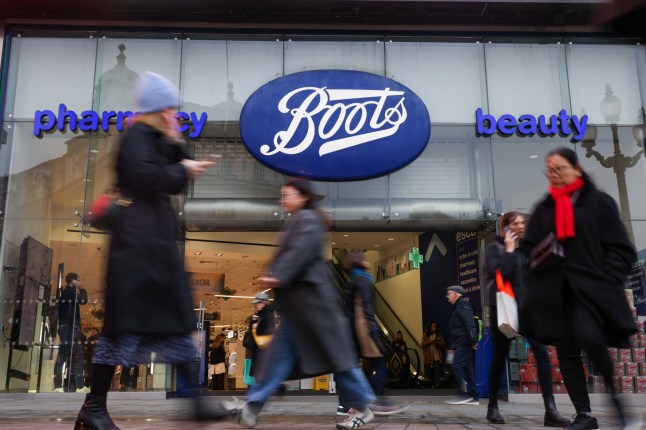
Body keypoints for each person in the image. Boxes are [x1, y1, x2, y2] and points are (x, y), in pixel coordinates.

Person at [74, 71, 228, 430]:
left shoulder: (155, 137)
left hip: (152, 245)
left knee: (176, 324)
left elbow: (170, 165)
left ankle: (192, 400)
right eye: (169, 106)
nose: (174, 111)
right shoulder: (136, 136)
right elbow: (145, 177)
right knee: (125, 329)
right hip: (138, 248)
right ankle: (94, 407)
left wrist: (177, 146)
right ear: (157, 107)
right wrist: (182, 169)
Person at [229, 178, 376, 429]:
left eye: (288, 194)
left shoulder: (307, 219)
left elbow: (299, 251)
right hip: (298, 309)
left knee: (337, 359)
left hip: (315, 306)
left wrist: (278, 275)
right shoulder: (299, 219)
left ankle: (364, 407)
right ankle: (252, 407)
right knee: (277, 359)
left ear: (303, 196)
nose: (283, 199)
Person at [522, 147, 641, 430]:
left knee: (589, 337)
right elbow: (529, 249)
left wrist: (607, 279)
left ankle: (618, 402)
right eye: (549, 170)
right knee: (566, 354)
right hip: (555, 292)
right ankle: (584, 414)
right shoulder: (544, 208)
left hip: (590, 289)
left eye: (559, 168)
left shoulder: (598, 202)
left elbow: (621, 248)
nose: (554, 175)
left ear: (576, 169)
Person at [482, 211, 570, 426]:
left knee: (542, 355)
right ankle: (492, 406)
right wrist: (510, 252)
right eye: (516, 223)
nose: (521, 226)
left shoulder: (526, 250)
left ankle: (551, 410)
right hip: (505, 309)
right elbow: (501, 276)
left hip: (528, 310)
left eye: (523, 222)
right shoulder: (496, 249)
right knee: (499, 357)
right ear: (506, 227)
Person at [337, 251, 406, 416]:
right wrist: (371, 330)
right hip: (365, 330)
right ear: (360, 263)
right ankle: (381, 402)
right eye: (364, 259)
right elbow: (366, 307)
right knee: (380, 364)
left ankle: (345, 405)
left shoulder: (351, 282)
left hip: (350, 333)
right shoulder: (364, 281)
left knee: (350, 368)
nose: (367, 261)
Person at [54, 272, 89, 393]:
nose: (79, 283)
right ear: (73, 281)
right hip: (68, 326)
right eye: (78, 281)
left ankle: (79, 386)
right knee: (64, 354)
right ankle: (58, 385)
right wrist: (82, 288)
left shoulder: (69, 292)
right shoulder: (68, 291)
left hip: (71, 326)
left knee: (77, 355)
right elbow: (83, 300)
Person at [444, 285, 479, 405]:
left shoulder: (462, 305)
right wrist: (452, 347)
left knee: (457, 366)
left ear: (456, 294)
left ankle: (464, 394)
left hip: (464, 342)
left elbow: (469, 323)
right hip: (460, 343)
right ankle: (474, 397)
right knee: (468, 369)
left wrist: (473, 340)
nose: (447, 296)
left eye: (449, 293)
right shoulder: (457, 307)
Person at [246, 292, 276, 380]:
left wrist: (255, 327)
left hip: (263, 347)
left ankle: (262, 389)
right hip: (261, 346)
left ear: (263, 303)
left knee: (261, 372)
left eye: (257, 303)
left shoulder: (267, 314)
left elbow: (269, 329)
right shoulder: (261, 314)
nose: (256, 305)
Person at [421, 322, 445, 389]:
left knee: (436, 370)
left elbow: (443, 343)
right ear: (430, 327)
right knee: (430, 372)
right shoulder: (425, 335)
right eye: (433, 325)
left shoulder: (438, 335)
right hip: (429, 356)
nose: (434, 327)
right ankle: (431, 384)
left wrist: (437, 342)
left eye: (435, 326)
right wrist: (431, 341)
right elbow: (423, 344)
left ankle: (436, 383)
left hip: (436, 356)